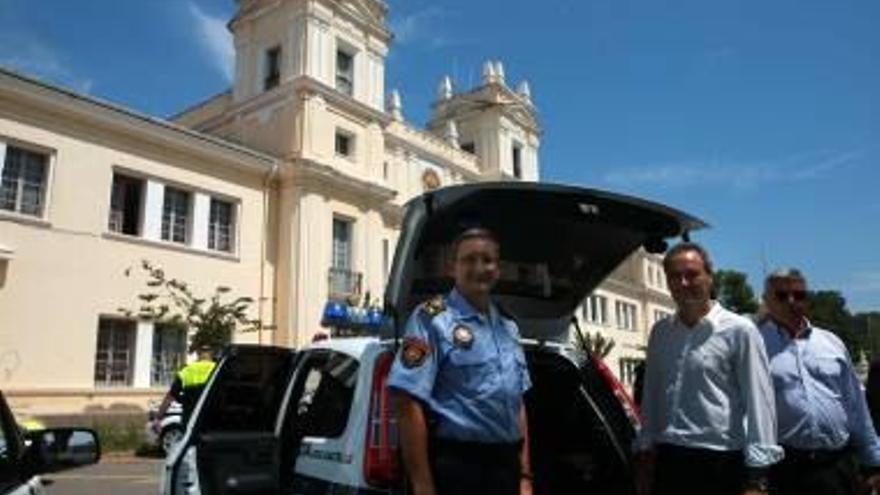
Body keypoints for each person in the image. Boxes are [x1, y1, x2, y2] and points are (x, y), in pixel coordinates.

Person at [387, 227, 533, 495]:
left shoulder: (508, 327)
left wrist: (525, 476)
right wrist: (423, 486)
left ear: (498, 269)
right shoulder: (431, 318)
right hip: (457, 468)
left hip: (506, 468)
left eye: (488, 260)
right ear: (452, 268)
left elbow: (518, 403)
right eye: (469, 259)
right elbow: (406, 400)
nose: (480, 267)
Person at [634, 242, 782, 495]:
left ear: (710, 277)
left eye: (691, 274)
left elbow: (760, 402)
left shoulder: (739, 330)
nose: (683, 283)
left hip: (719, 462)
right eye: (674, 276)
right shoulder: (660, 333)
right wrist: (645, 450)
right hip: (669, 460)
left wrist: (758, 476)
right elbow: (651, 395)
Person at [758, 268, 880, 495]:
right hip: (787, 470)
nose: (792, 301)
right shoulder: (755, 344)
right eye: (782, 296)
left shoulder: (831, 342)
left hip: (837, 468)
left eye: (799, 295)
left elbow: (856, 407)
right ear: (767, 301)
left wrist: (873, 461)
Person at [154, 346, 216, 430]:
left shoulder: (186, 371)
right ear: (212, 355)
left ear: (198, 355)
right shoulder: (218, 370)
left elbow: (170, 396)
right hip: (213, 419)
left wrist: (158, 417)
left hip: (190, 419)